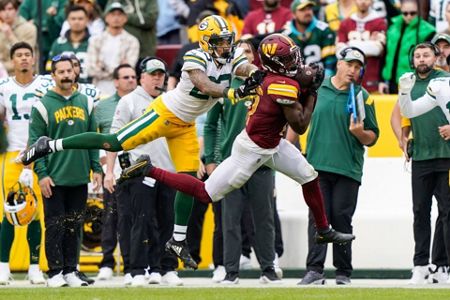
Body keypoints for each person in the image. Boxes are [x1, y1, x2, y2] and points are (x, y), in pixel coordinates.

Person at [20, 15, 261, 270]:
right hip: (165, 114)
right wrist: (231, 92)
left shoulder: (231, 55)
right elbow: (204, 83)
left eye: (227, 41)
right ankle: (51, 145)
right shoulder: (195, 57)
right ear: (205, 42)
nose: (225, 46)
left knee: (188, 182)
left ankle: (178, 240)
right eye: (219, 41)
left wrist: (256, 74)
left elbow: (244, 67)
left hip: (186, 125)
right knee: (113, 142)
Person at [116, 34, 356, 277]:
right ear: (276, 63)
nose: (295, 60)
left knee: (309, 176)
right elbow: (302, 125)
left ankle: (323, 229)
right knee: (206, 192)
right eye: (288, 57)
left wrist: (305, 80)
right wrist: (312, 92)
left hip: (272, 144)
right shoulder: (278, 85)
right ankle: (149, 169)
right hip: (251, 150)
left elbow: (295, 80)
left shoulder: (277, 77)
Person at [299, 46, 379, 286]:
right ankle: (314, 270)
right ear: (339, 63)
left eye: (358, 67)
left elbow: (373, 136)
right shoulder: (316, 89)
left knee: (342, 219)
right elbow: (299, 121)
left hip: (348, 168)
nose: (353, 70)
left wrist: (359, 132)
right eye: (350, 65)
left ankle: (343, 273)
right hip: (316, 167)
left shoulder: (363, 96)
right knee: (317, 217)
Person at [203, 39, 278, 284]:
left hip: (262, 162)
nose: (243, 56)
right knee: (229, 220)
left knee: (263, 218)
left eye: (247, 51)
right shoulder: (223, 87)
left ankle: (268, 270)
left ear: (255, 57)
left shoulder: (267, 84)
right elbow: (211, 125)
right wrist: (211, 159)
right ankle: (230, 271)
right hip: (231, 161)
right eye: (239, 52)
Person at [28, 55, 103, 287]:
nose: (66, 75)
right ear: (53, 76)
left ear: (75, 72)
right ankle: (55, 273)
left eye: (69, 71)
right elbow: (35, 145)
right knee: (55, 226)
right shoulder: (42, 105)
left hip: (79, 177)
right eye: (60, 72)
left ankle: (71, 270)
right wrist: (42, 174)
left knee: (74, 226)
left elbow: (93, 140)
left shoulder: (87, 103)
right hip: (53, 178)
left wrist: (97, 169)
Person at [109, 57, 182, 286]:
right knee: (141, 221)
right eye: (152, 74)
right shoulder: (129, 102)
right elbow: (114, 137)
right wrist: (110, 171)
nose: (157, 78)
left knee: (168, 221)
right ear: (142, 77)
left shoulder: (172, 101)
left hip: (169, 170)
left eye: (161, 74)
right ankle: (138, 268)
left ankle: (165, 268)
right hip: (140, 170)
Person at [397, 44, 450, 284]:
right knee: (420, 211)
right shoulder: (412, 84)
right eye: (417, 55)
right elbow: (401, 112)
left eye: (426, 54)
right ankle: (420, 265)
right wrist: (403, 137)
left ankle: (444, 265)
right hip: (422, 156)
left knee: (447, 212)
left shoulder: (444, 81)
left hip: (447, 155)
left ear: (436, 57)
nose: (421, 59)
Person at [0, 42, 47, 285]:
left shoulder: (45, 84)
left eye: (28, 54)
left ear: (34, 58)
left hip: (39, 154)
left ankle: (35, 267)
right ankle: (3, 266)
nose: (24, 59)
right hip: (13, 153)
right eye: (19, 55)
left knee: (35, 212)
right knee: (10, 211)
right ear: (12, 60)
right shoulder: (4, 86)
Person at [94, 63, 137, 281]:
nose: (131, 80)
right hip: (111, 167)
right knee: (110, 216)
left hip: (138, 166)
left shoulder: (145, 102)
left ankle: (133, 264)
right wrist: (101, 166)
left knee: (136, 218)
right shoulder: (102, 107)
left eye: (133, 76)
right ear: (116, 81)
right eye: (126, 77)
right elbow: (95, 136)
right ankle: (107, 262)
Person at [379, 0, 435, 94]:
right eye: (405, 13)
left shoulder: (427, 31)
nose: (409, 16)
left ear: (418, 11)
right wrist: (381, 80)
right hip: (390, 83)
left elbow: (429, 61)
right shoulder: (392, 27)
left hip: (413, 83)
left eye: (412, 13)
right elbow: (385, 55)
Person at [86, 2, 139, 95]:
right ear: (106, 18)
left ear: (125, 18)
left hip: (123, 91)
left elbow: (129, 70)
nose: (116, 18)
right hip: (99, 88)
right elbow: (91, 69)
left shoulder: (132, 41)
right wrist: (118, 70)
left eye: (119, 14)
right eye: (112, 14)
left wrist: (103, 67)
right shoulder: (95, 40)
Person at [336, 0, 387, 93]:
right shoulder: (345, 23)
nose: (363, 2)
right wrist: (369, 44)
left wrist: (350, 44)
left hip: (372, 81)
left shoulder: (380, 22)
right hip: (347, 82)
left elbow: (377, 49)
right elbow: (339, 53)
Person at [283, 0, 337, 77]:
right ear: (294, 14)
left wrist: (326, 80)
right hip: (297, 79)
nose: (307, 12)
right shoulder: (286, 36)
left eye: (309, 9)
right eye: (302, 10)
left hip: (321, 77)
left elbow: (330, 60)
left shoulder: (325, 30)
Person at [47, 5, 92, 83]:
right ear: (67, 20)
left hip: (89, 86)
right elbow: (50, 67)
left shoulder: (94, 42)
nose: (76, 22)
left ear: (87, 20)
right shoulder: (58, 43)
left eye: (80, 19)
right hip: (63, 87)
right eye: (73, 19)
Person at [0, 0, 37, 75]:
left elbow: (26, 56)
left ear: (16, 10)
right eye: (2, 10)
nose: (6, 13)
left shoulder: (29, 28)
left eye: (10, 9)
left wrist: (10, 35)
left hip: (25, 75)